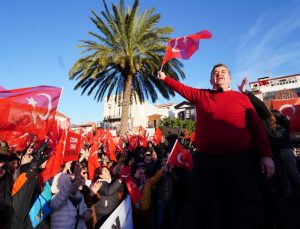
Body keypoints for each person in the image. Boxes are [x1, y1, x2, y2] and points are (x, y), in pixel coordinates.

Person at [157, 63, 275, 229]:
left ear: (230, 78)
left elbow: (256, 127)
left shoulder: (242, 98)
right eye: (216, 72)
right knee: (205, 210)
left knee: (238, 209)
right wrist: (165, 78)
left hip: (238, 163)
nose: (219, 74)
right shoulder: (201, 95)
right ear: (211, 79)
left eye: (223, 72)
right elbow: (181, 88)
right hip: (205, 164)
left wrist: (266, 155)